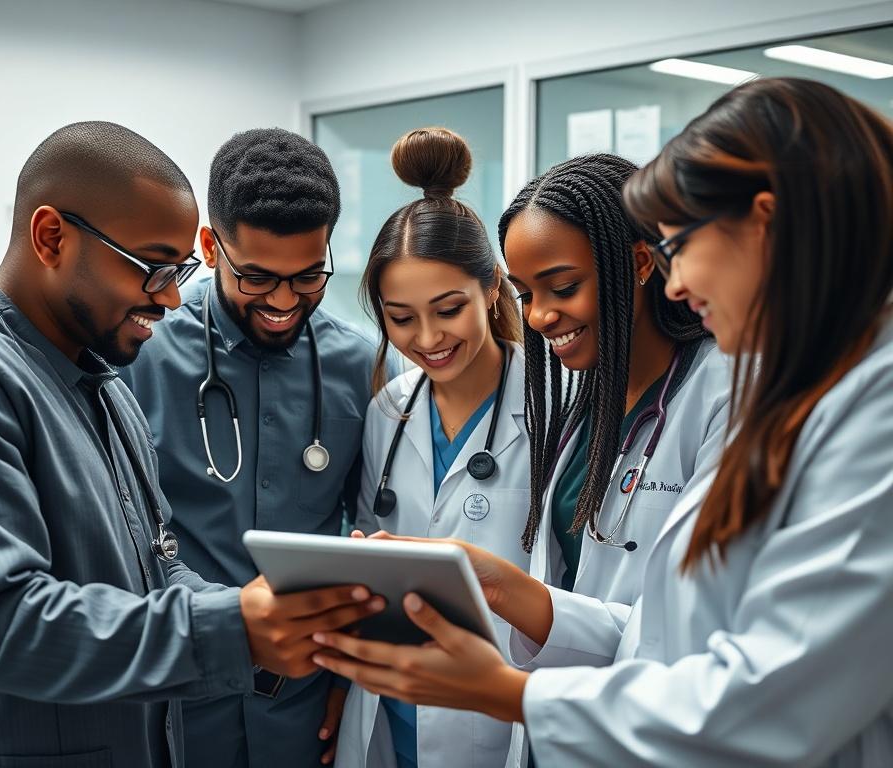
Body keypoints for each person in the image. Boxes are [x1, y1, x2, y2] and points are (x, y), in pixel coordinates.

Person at [311, 78, 893, 766]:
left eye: (681, 247)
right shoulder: (604, 398)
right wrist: (505, 587)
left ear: (762, 223)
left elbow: (775, 695)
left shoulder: (851, 408)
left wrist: (510, 694)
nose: (676, 284)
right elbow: (653, 632)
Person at [0, 121, 384, 768]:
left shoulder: (100, 381)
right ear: (51, 237)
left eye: (179, 272)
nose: (171, 297)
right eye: (152, 268)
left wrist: (281, 609)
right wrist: (236, 628)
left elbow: (156, 566)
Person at [119, 128, 381, 768]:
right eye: (258, 277)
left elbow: (372, 533)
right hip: (175, 693)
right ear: (211, 246)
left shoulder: (360, 363)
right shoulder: (139, 352)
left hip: (304, 702)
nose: (285, 302)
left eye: (309, 277)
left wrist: (353, 679)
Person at [335, 127, 530, 768]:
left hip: (500, 705)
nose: (427, 337)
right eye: (400, 317)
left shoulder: (553, 406)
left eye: (448, 309)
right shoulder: (390, 406)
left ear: (493, 287)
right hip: (390, 701)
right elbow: (369, 540)